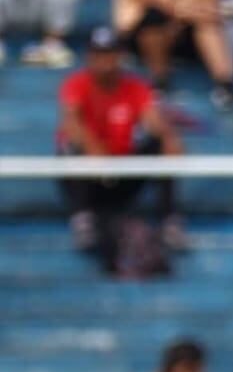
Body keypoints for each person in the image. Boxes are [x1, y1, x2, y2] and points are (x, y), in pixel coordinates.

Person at [57, 27, 184, 260]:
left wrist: (169, 138)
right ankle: (82, 217)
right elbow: (71, 122)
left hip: (123, 172)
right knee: (68, 145)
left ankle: (169, 220)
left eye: (109, 53)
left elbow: (153, 120)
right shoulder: (77, 84)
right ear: (89, 57)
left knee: (161, 144)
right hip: (91, 175)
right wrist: (93, 148)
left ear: (119, 56)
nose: (104, 60)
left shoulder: (135, 87)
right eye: (98, 53)